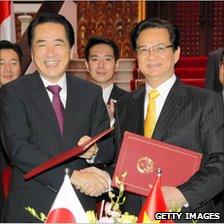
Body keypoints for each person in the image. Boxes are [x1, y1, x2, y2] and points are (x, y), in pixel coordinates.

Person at [0, 13, 114, 222]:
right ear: (32, 53)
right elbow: (19, 149)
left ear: (71, 49)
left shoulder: (90, 92)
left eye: (58, 43)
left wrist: (94, 151)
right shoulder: (14, 92)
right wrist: (73, 176)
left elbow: (108, 147)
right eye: (41, 45)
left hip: (80, 208)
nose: (50, 52)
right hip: (29, 208)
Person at [115, 18, 224, 223]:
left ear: (176, 54)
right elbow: (122, 161)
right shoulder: (125, 104)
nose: (151, 55)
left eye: (159, 47)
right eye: (144, 49)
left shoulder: (207, 102)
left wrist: (183, 194)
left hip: (186, 215)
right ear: (137, 56)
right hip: (135, 215)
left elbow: (221, 162)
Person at [0, 40, 23, 220]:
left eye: (13, 63)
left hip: (25, 182)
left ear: (20, 68)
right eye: (1, 63)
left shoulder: (33, 101)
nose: (7, 69)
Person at [85, 37, 127, 123]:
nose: (101, 65)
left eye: (107, 59)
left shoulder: (128, 101)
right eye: (95, 59)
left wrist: (110, 121)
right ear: (87, 65)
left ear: (117, 64)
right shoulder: (74, 100)